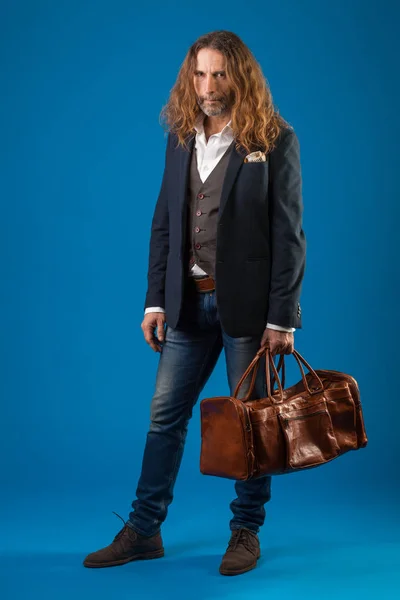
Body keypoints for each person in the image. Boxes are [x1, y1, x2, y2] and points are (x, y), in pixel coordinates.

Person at [83, 29, 306, 576]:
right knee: (165, 419)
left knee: (249, 421)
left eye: (219, 74)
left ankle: (245, 531)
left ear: (240, 77)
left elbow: (289, 235)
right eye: (200, 74)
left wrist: (283, 318)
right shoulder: (181, 136)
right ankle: (143, 530)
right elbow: (164, 224)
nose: (208, 85)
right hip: (187, 303)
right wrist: (155, 300)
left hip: (250, 312)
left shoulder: (273, 139)